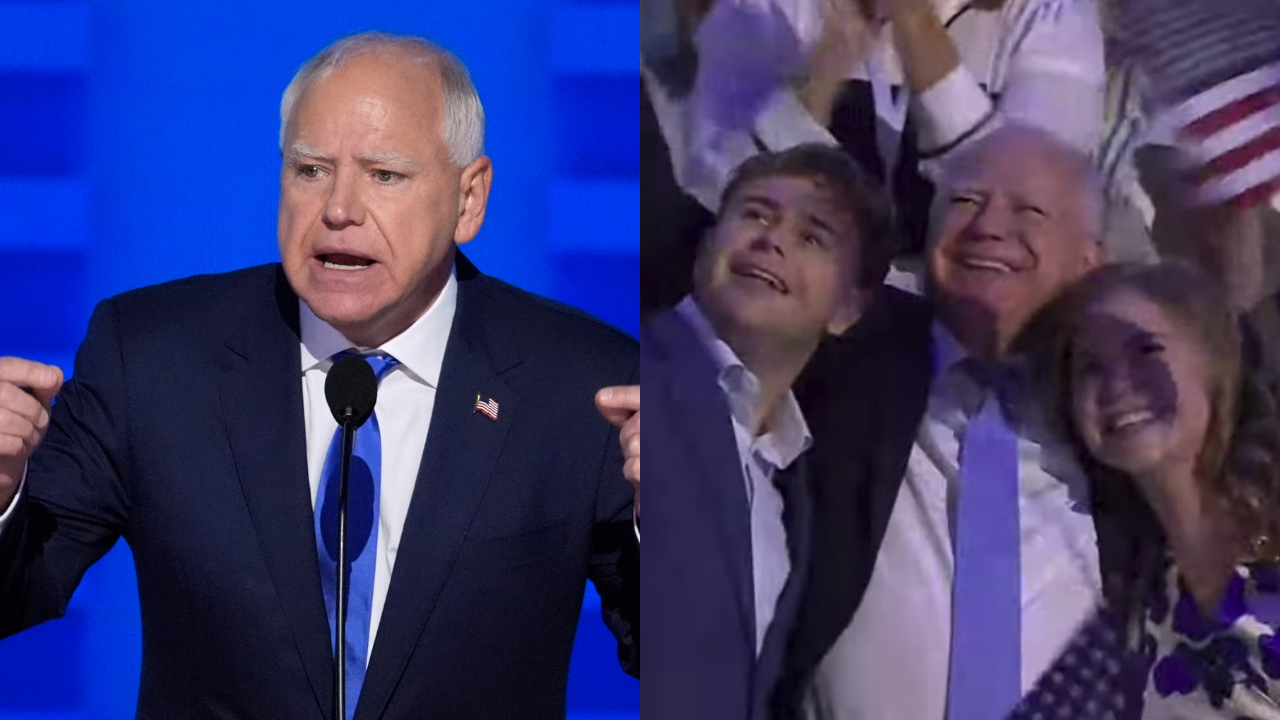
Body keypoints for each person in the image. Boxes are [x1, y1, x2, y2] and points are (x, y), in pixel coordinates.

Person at [0, 32, 639, 720]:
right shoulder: (153, 357)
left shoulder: (583, 383)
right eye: (310, 170)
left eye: (384, 175)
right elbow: (18, 589)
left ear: (469, 198)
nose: (338, 209)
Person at [772, 123, 1145, 719]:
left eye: (1030, 210)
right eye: (966, 201)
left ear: (1089, 261)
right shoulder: (845, 351)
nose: (989, 227)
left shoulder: (1129, 417)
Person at [639, 0, 1107, 310]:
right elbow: (720, 189)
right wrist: (825, 77)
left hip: (973, 316)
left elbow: (1019, 201)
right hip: (807, 310)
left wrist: (915, 25)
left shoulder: (1053, 16)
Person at [644, 142, 895, 720]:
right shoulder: (625, 380)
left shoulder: (792, 481)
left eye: (813, 237)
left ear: (847, 310)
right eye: (756, 213)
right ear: (709, 245)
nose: (772, 239)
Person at [1025, 261, 1280, 717]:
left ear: (1215, 365)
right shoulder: (1131, 597)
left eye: (1146, 349)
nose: (1117, 384)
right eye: (1090, 368)